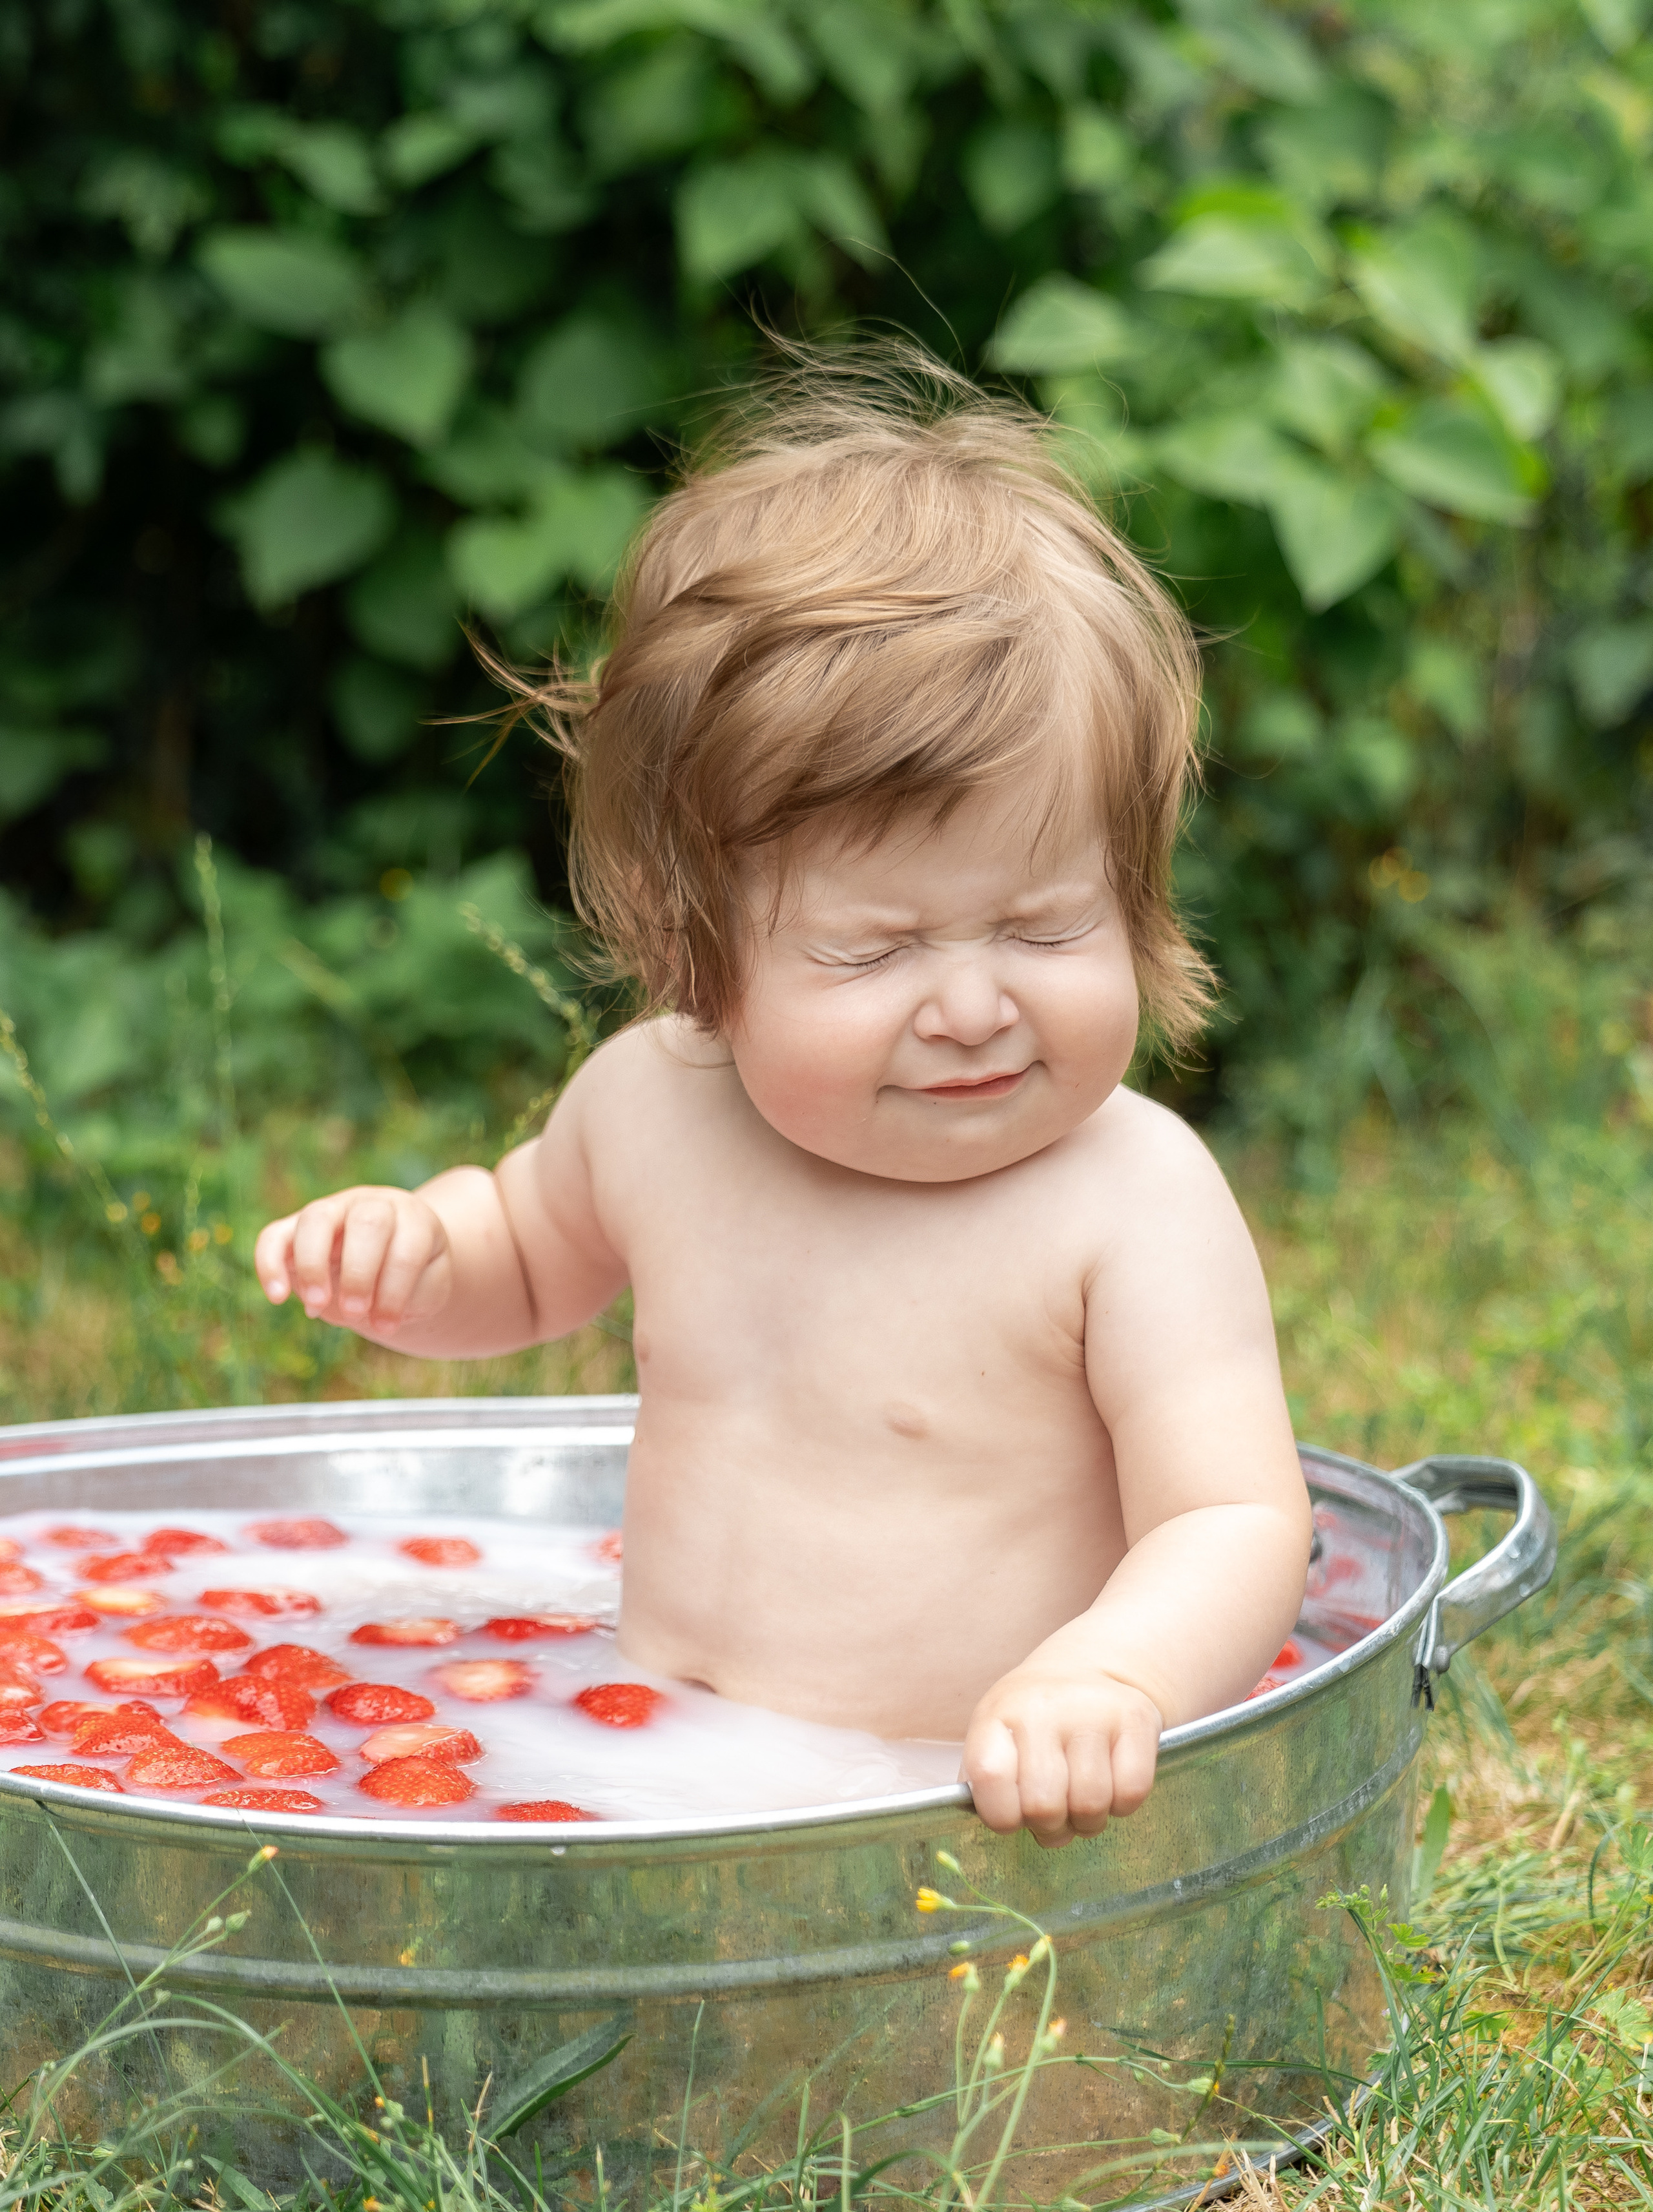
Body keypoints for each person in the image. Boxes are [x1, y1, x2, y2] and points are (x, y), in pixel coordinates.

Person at [254, 353, 1312, 1846]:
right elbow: (520, 1252)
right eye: (871, 950)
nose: (968, 1002)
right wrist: (417, 1258)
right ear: (696, 945)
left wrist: (1107, 1677)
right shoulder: (651, 1110)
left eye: (1045, 927)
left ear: (1133, 900)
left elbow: (1233, 1519)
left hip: (947, 1810)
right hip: (650, 1771)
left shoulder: (1127, 1201)